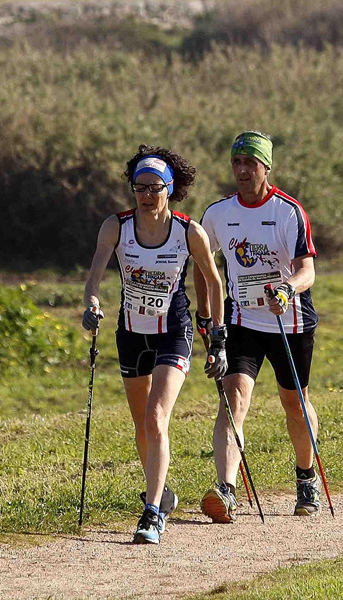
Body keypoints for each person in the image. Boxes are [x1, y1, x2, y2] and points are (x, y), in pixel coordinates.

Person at [82, 145, 226, 544]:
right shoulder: (116, 226)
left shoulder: (188, 231)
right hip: (130, 334)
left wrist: (218, 336)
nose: (146, 196)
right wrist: (91, 304)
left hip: (173, 331)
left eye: (155, 187)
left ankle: (150, 515)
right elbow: (94, 276)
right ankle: (162, 494)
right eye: (139, 187)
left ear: (170, 189)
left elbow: (213, 283)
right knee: (141, 429)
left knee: (155, 418)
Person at [194, 131, 321, 522]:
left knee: (293, 404)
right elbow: (202, 262)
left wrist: (288, 289)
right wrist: (205, 314)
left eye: (251, 163)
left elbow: (307, 270)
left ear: (266, 167)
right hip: (241, 321)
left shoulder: (288, 211)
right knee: (233, 400)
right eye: (237, 163)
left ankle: (306, 478)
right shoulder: (217, 213)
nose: (243, 170)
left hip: (289, 321)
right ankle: (227, 490)